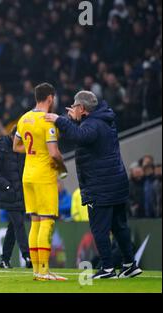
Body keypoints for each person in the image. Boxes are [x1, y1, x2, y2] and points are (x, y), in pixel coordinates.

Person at [45, 90, 142, 279]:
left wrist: (59, 120)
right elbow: (85, 135)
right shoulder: (102, 119)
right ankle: (130, 265)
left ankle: (107, 268)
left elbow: (82, 136)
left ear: (82, 108)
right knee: (119, 226)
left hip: (101, 185)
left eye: (74, 106)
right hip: (115, 182)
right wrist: (73, 121)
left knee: (100, 228)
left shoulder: (94, 124)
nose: (71, 109)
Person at [13, 83, 68, 281]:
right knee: (47, 221)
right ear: (50, 98)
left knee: (35, 222)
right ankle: (44, 271)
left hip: (28, 175)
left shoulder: (24, 118)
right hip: (44, 177)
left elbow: (15, 145)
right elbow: (54, 152)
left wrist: (32, 150)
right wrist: (63, 166)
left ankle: (38, 270)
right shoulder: (47, 121)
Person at [0, 126, 31, 269]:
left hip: (21, 194)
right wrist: (7, 186)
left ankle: (4, 259)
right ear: (13, 136)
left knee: (13, 227)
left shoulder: (21, 149)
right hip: (8, 194)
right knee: (18, 223)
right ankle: (27, 256)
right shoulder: (0, 149)